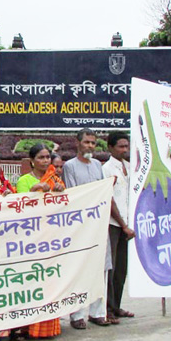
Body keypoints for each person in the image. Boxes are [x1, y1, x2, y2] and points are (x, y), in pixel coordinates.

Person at [14, 143, 64, 339]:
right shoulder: (24, 180)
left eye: (47, 158)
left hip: (50, 237)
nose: (45, 161)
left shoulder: (55, 179)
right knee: (32, 281)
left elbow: (64, 207)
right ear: (32, 161)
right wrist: (34, 190)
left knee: (50, 280)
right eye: (41, 158)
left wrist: (60, 191)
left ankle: (49, 327)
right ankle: (28, 326)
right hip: (31, 238)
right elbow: (18, 206)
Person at [63, 129, 109, 328]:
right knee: (79, 268)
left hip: (98, 224)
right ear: (78, 143)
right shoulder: (70, 166)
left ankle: (97, 312)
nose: (90, 146)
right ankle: (77, 315)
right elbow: (75, 194)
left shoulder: (98, 165)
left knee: (99, 269)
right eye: (87, 142)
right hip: (80, 226)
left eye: (93, 143)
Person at [102, 132, 135, 321]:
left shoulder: (130, 167)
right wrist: (122, 224)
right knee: (111, 267)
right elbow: (110, 199)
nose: (124, 150)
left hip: (128, 224)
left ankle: (117, 305)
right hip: (114, 224)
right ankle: (108, 308)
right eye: (120, 146)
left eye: (126, 146)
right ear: (110, 148)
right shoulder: (107, 169)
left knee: (122, 267)